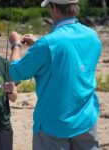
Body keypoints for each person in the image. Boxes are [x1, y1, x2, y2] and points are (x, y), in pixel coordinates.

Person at [9, 0, 102, 150]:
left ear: (54, 8)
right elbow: (75, 62)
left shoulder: (47, 44)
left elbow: (16, 73)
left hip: (53, 124)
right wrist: (40, 45)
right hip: (86, 119)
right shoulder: (92, 36)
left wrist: (16, 45)